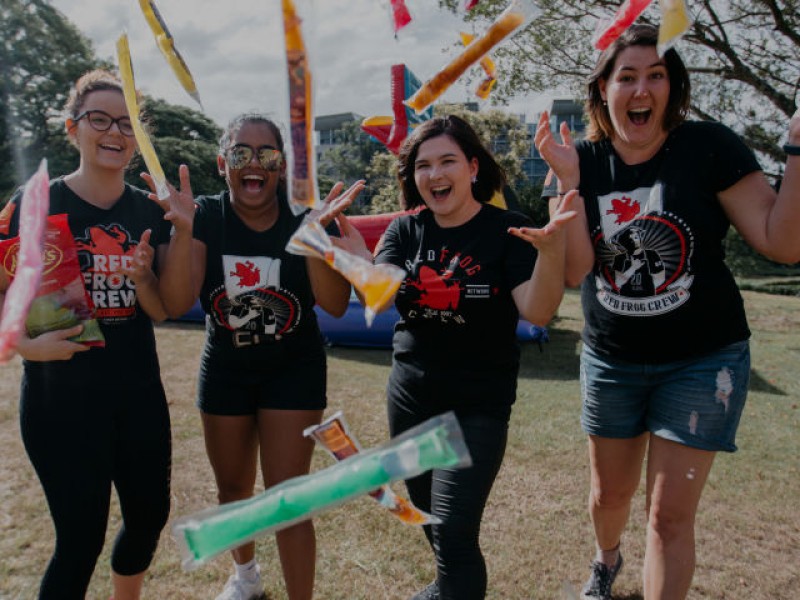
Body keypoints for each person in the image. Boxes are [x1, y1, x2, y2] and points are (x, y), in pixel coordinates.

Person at [534, 23, 800, 600]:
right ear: (603, 88)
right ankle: (606, 560)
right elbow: (578, 270)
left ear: (672, 87)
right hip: (613, 359)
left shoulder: (709, 147)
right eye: (626, 76)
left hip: (704, 360)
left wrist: (798, 148)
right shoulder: (577, 161)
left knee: (669, 517)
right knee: (610, 495)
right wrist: (570, 184)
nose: (641, 89)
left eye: (656, 75)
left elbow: (784, 242)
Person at [334, 114, 576, 600]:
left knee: (454, 531)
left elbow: (538, 310)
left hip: (478, 405)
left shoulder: (507, 230)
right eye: (423, 165)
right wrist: (357, 261)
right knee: (432, 521)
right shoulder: (405, 232)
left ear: (471, 167)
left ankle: (449, 587)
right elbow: (379, 296)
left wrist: (551, 256)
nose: (435, 174)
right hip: (411, 397)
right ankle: (446, 588)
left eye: (447, 161)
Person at [156, 113, 363, 600]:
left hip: (294, 369)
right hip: (226, 370)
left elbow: (334, 305)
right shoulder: (204, 214)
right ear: (222, 162)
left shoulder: (302, 217)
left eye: (266, 154)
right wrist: (182, 233)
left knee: (289, 498)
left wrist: (315, 244)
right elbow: (174, 302)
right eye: (241, 153)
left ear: (281, 165)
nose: (254, 163)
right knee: (232, 489)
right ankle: (245, 576)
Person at [0, 69, 189, 599]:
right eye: (100, 119)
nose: (115, 132)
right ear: (72, 128)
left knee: (150, 516)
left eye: (128, 123)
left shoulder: (149, 208)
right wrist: (24, 344)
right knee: (80, 540)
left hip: (137, 397)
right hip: (61, 402)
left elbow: (162, 309)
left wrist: (148, 274)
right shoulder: (35, 202)